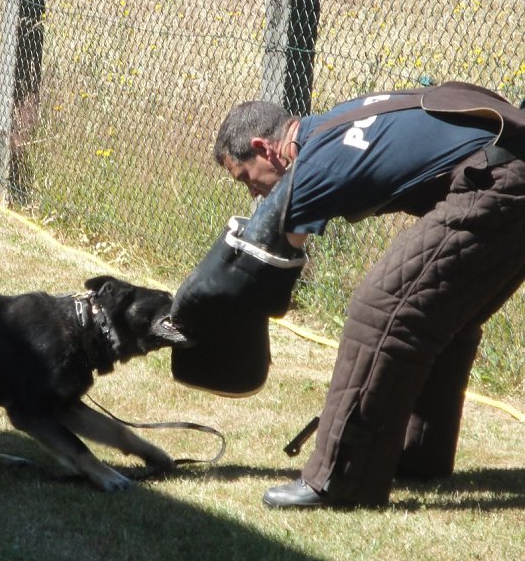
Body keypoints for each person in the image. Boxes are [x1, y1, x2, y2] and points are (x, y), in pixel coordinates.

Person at [209, 81, 525, 508]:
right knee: (441, 314)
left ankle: (342, 480)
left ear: (265, 148)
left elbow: (259, 264)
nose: (253, 193)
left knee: (382, 312)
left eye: (247, 178)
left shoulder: (310, 165)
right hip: (510, 160)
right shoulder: (333, 125)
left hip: (499, 177)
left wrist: (193, 318)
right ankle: (417, 456)